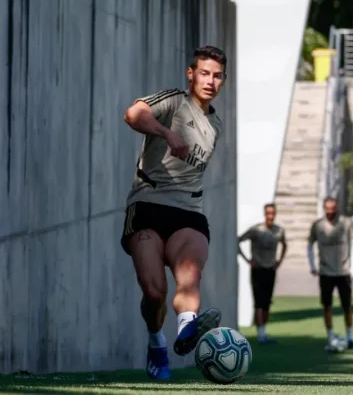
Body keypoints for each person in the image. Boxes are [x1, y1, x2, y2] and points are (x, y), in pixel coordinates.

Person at [120, 46, 230, 380]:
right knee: (154, 292)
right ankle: (157, 340)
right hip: (148, 207)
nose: (211, 81)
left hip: (188, 212)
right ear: (191, 74)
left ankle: (187, 327)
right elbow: (132, 115)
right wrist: (167, 132)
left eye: (218, 75)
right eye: (205, 73)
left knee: (189, 273)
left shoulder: (216, 125)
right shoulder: (173, 101)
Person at [307, 197, 353, 352]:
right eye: (328, 209)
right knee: (327, 307)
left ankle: (350, 339)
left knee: (347, 306)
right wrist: (312, 265)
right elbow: (310, 244)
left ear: (336, 208)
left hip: (343, 271)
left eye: (333, 209)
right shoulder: (317, 225)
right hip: (325, 272)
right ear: (324, 208)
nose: (330, 212)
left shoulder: (346, 223)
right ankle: (330, 338)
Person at [237, 203, 287, 344]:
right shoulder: (256, 230)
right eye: (268, 213)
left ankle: (264, 332)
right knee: (258, 302)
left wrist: (279, 261)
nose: (270, 216)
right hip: (258, 268)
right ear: (265, 214)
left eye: (272, 213)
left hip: (270, 269)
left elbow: (284, 245)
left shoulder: (279, 231)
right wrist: (247, 260)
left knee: (267, 302)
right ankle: (260, 334)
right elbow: (238, 240)